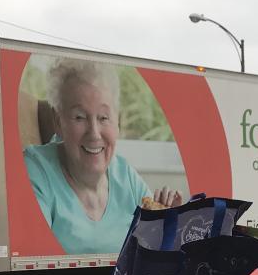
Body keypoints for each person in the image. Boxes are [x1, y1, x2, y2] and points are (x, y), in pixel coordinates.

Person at [24, 58, 182, 255]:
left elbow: (152, 256)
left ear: (118, 123)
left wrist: (168, 227)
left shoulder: (125, 175)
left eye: (103, 118)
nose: (94, 133)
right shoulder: (35, 169)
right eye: (79, 117)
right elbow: (32, 256)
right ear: (58, 122)